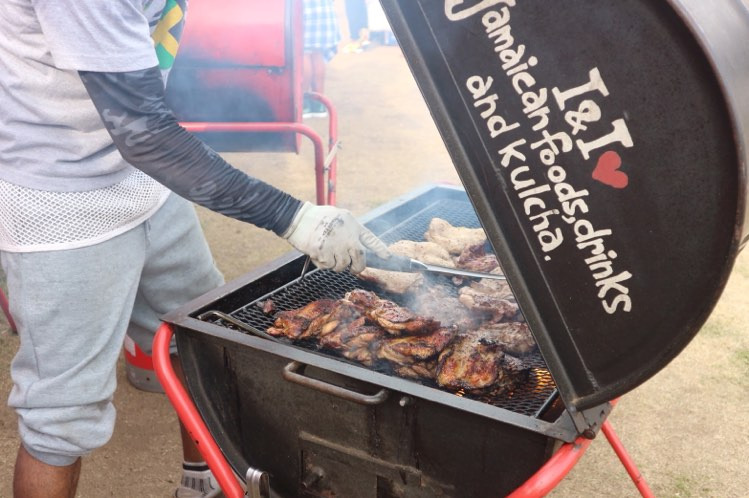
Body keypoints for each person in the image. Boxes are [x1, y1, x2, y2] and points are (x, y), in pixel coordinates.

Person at [0, 1, 389, 497]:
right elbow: (144, 133)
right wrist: (294, 217)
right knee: (61, 419)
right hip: (61, 201)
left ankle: (199, 484)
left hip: (143, 181)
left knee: (201, 339)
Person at [302, 0, 341, 118]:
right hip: (324, 10)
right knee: (317, 54)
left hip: (303, 11)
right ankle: (319, 103)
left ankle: (303, 103)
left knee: (303, 53)